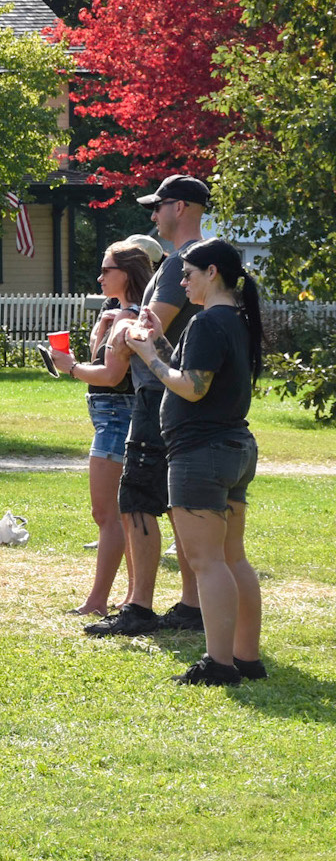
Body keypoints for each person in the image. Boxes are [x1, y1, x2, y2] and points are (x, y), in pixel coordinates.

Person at [126, 238, 267, 685]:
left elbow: (191, 387)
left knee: (208, 562)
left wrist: (146, 354)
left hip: (201, 453)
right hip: (232, 449)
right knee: (232, 558)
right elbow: (192, 372)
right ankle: (246, 658)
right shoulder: (233, 321)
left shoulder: (209, 322)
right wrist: (161, 341)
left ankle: (219, 664)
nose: (181, 280)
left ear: (213, 273)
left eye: (188, 273)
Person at [80, 176, 210, 638]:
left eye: (159, 207)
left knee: (137, 500)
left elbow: (150, 328)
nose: (153, 216)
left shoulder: (182, 262)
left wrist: (125, 328)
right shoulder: (195, 259)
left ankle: (139, 608)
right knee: (179, 503)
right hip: (174, 395)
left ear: (180, 207)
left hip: (157, 396)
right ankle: (191, 607)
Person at [46, 239, 155, 616]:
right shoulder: (124, 313)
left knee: (107, 514)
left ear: (127, 273)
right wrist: (95, 339)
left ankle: (97, 601)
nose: (100, 276)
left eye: (107, 269)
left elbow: (110, 375)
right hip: (119, 415)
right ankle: (128, 597)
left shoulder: (127, 317)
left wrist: (69, 367)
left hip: (115, 418)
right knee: (121, 514)